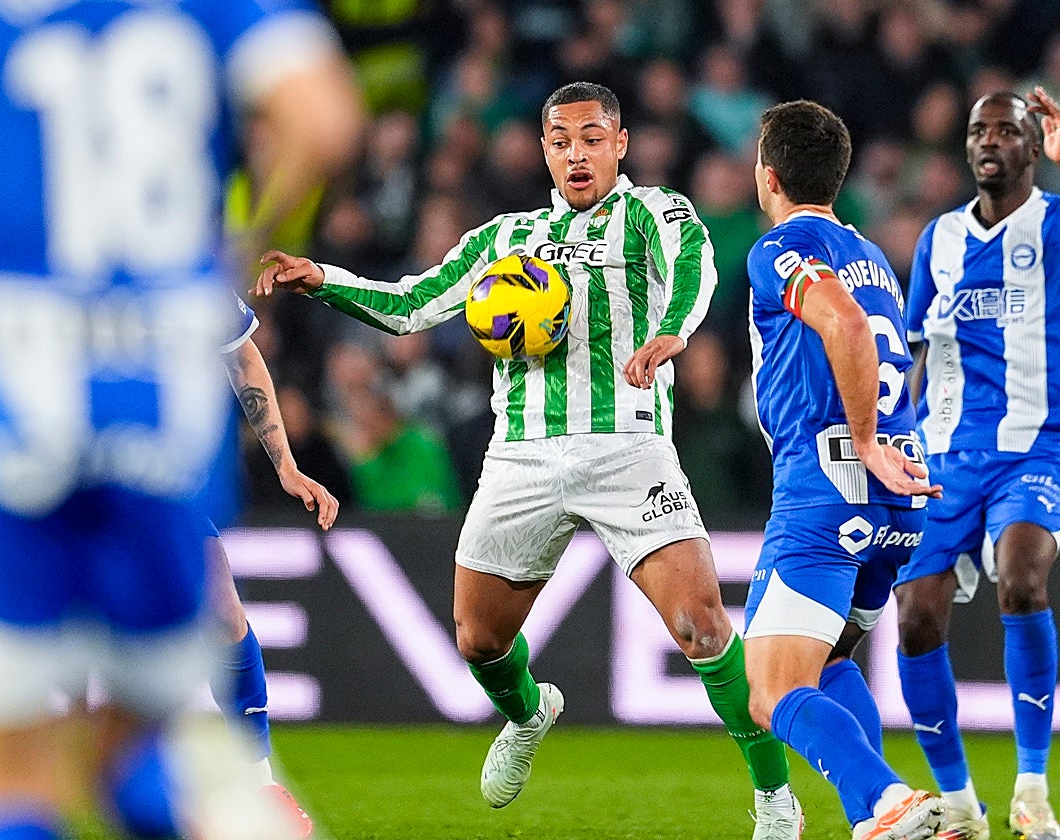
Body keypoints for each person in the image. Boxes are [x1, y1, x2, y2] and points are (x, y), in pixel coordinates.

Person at [255, 81, 804, 840]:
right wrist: (325, 280)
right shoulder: (503, 238)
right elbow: (415, 303)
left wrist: (674, 330)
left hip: (629, 449)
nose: (575, 153)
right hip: (522, 456)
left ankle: (775, 801)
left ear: (619, 144)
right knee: (478, 640)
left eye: (590, 137)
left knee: (703, 627)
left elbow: (694, 267)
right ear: (545, 149)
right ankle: (527, 711)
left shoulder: (654, 212)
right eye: (560, 140)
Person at [0, 2, 361, 840]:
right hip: (157, 410)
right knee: (142, 732)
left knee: (8, 766)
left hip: (20, 401)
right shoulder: (202, 10)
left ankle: (239, 788)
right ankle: (228, 800)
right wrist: (242, 238)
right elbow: (325, 117)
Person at [894, 87, 1060, 840]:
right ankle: (961, 804)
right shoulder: (939, 239)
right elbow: (914, 355)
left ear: (1033, 147)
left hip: (1038, 446)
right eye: (978, 129)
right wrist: (898, 444)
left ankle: (1034, 790)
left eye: (1006, 130)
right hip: (944, 455)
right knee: (914, 622)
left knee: (1022, 579)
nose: (988, 141)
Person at [742, 100, 946, 840]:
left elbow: (843, 323)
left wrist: (861, 442)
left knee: (769, 691)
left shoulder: (782, 249)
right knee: (825, 662)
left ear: (767, 176)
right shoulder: (873, 260)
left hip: (830, 489)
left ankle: (888, 799)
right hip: (898, 497)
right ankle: (881, 814)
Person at [215, 298, 341, 836]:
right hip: (34, 464)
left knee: (222, 613)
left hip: (148, 467)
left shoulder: (177, 256)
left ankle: (259, 781)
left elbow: (242, 356)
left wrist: (286, 464)